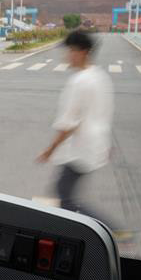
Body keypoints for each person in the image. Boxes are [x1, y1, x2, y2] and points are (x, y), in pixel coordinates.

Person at [36, 31, 116, 228]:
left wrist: (49, 150)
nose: (67, 56)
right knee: (65, 193)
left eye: (71, 50)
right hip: (93, 145)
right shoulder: (99, 76)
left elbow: (69, 124)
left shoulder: (79, 81)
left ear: (84, 52)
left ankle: (111, 229)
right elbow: (104, 113)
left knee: (65, 197)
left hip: (80, 149)